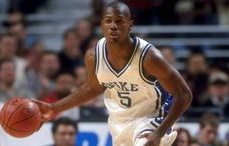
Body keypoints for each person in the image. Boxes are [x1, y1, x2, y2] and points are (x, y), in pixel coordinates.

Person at [33, 2, 192, 146]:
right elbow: (93, 88)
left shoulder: (149, 57)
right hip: (119, 123)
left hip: (150, 120)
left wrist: (160, 131)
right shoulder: (93, 56)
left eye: (119, 21)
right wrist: (54, 108)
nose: (113, 26)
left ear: (130, 25)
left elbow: (184, 94)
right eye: (108, 21)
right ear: (102, 25)